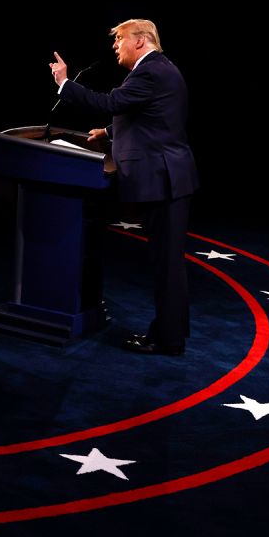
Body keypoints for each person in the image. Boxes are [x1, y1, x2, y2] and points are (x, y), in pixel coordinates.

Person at [49, 18, 198, 355]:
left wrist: (64, 83)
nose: (115, 46)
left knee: (167, 264)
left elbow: (110, 103)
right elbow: (152, 118)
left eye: (120, 39)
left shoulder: (151, 71)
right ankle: (169, 332)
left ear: (141, 41)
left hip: (165, 181)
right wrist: (109, 132)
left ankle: (168, 339)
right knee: (166, 262)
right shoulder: (158, 71)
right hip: (167, 178)